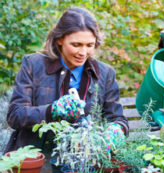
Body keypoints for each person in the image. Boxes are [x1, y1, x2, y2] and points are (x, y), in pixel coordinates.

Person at [5, 7, 129, 153]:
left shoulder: (105, 73)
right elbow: (15, 115)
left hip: (84, 162)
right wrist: (52, 111)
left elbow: (117, 119)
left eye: (89, 45)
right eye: (76, 45)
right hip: (36, 159)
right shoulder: (33, 65)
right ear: (60, 40)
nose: (83, 52)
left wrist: (116, 130)